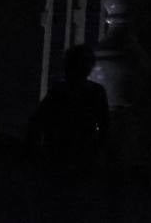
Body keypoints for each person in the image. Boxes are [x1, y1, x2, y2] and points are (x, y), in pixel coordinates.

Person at [26, 45, 110, 178]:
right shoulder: (96, 92)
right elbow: (105, 126)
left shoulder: (58, 91)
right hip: (83, 158)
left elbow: (37, 121)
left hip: (57, 155)